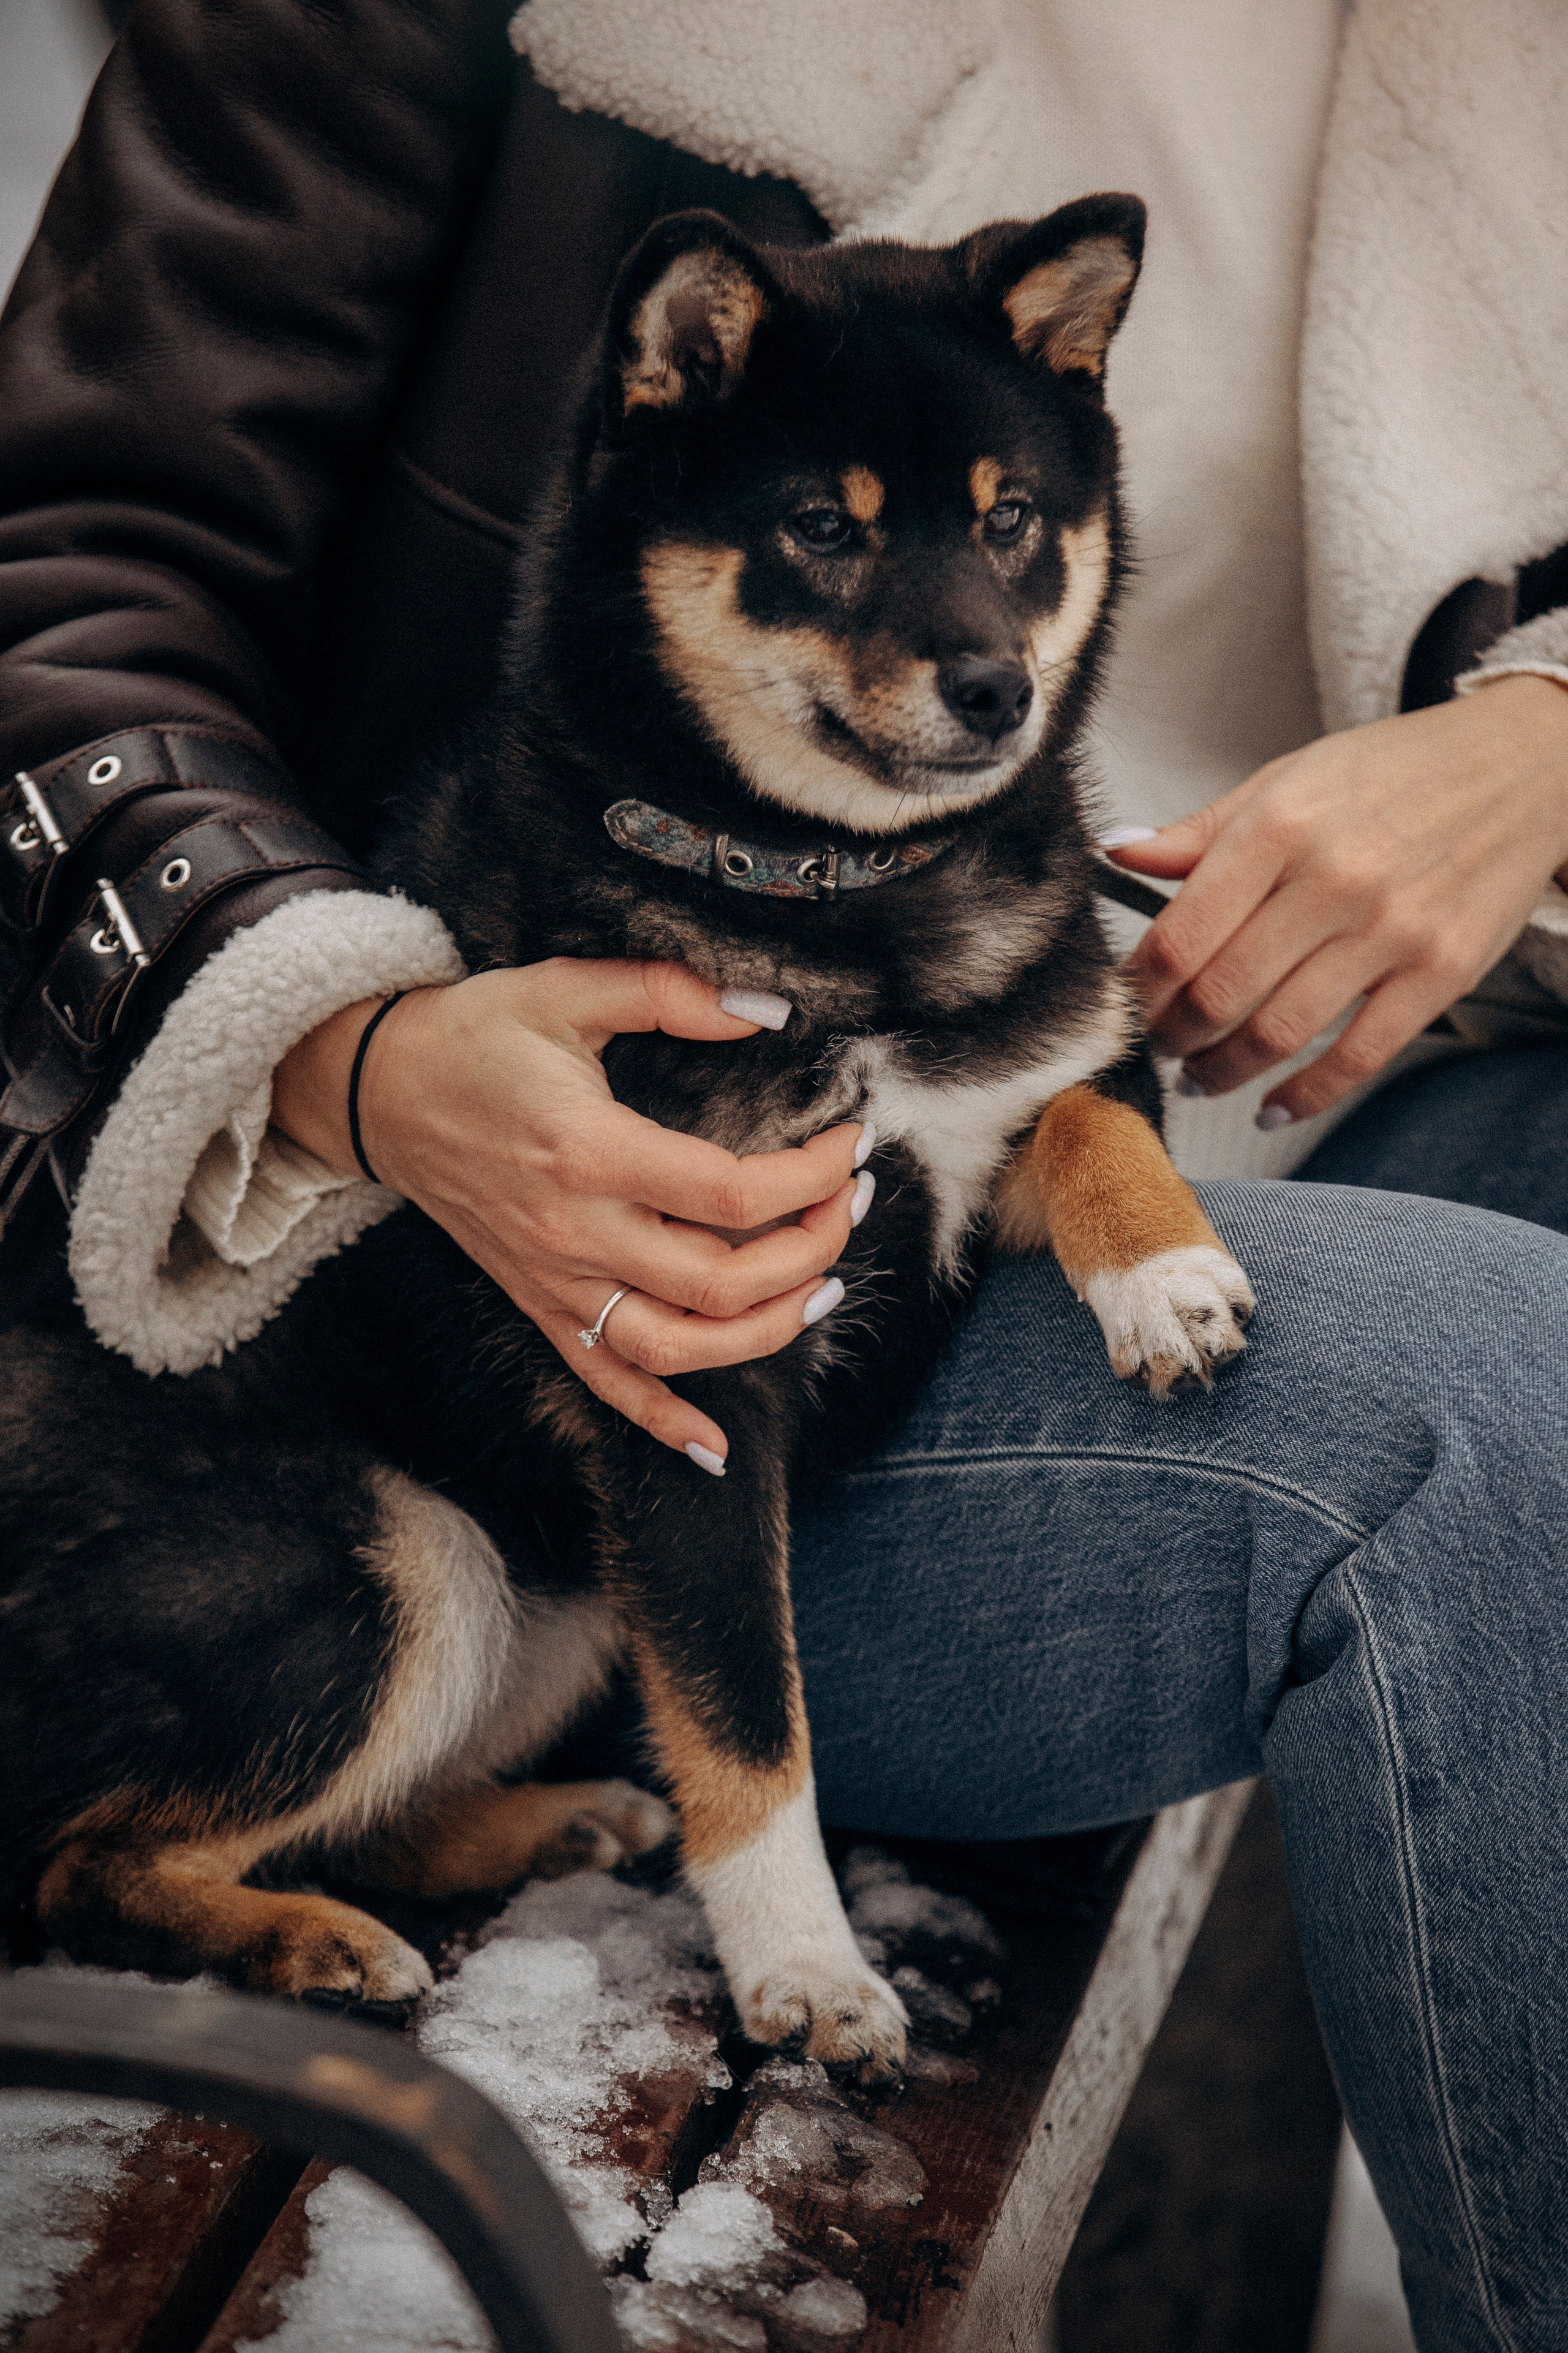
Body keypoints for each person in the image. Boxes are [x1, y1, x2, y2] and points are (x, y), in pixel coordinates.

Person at [2, 4, 1567, 2342]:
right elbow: (56, 568)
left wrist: (1541, 738)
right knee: (1494, 1408)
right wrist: (348, 1044)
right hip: (622, 1302)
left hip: (1272, 1078)